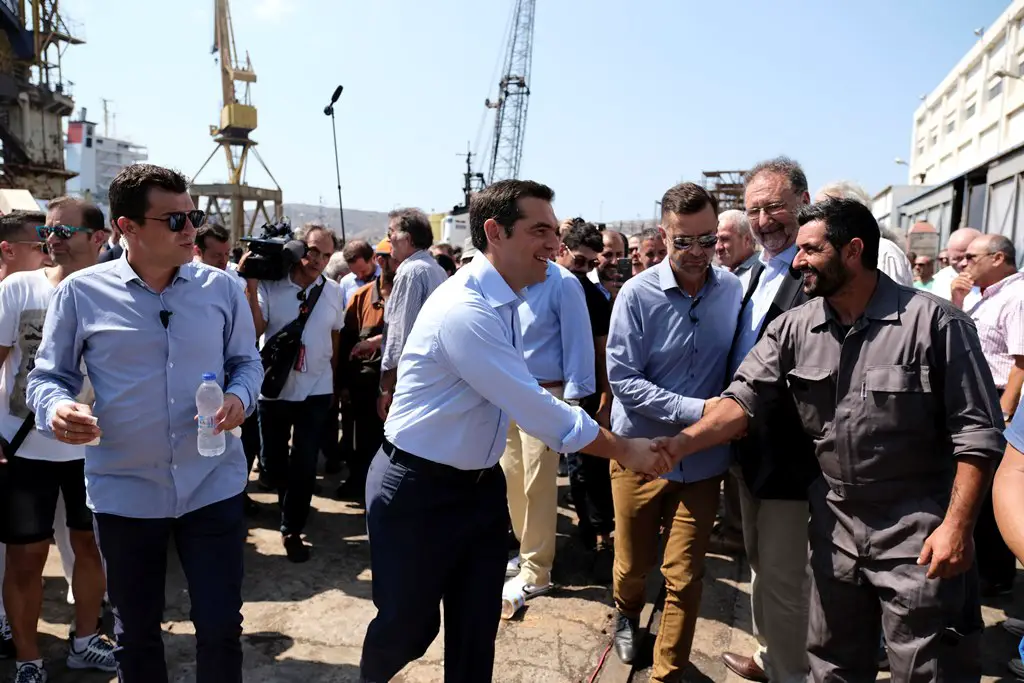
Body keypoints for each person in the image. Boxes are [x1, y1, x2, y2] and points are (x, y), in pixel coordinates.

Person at [656, 196, 1001, 682]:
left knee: (928, 668)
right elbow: (742, 399)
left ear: (853, 250)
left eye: (811, 250)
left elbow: (978, 435)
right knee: (832, 665)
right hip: (835, 530)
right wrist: (677, 446)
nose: (797, 261)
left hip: (919, 535)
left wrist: (957, 528)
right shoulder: (795, 327)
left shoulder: (936, 324)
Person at [359, 179, 671, 683]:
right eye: (539, 230)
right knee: (407, 630)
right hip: (418, 492)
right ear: (495, 232)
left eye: (555, 231)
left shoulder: (505, 301)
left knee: (475, 631)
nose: (554, 243)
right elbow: (534, 407)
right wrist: (625, 450)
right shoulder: (465, 310)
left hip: (479, 491)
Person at [26, 164, 263, 683]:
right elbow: (47, 377)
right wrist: (56, 408)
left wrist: (240, 396)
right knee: (135, 634)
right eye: (175, 220)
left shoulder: (222, 288)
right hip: (126, 491)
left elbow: (247, 362)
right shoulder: (81, 294)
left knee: (221, 627)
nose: (191, 229)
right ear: (127, 226)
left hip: (212, 484)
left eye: (194, 216)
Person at [607, 183, 742, 679]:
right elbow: (623, 380)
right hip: (640, 454)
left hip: (702, 461)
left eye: (708, 240)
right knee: (632, 565)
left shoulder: (733, 291)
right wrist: (697, 409)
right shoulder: (636, 295)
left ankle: (667, 671)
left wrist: (715, 422)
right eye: (684, 241)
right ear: (664, 235)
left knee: (684, 576)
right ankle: (627, 611)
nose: (697, 252)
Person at [0, 199, 115, 682]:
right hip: (24, 446)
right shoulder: (19, 288)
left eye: (65, 231)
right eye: (48, 231)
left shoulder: (118, 292)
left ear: (100, 238)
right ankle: (28, 659)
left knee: (91, 550)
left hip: (94, 450)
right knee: (26, 557)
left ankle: (85, 640)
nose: (53, 239)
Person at [722, 157, 815, 683]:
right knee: (759, 560)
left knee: (784, 574)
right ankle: (770, 655)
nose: (763, 220)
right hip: (747, 448)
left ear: (803, 202)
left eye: (774, 207)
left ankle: (791, 671)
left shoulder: (816, 275)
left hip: (791, 455)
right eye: (754, 210)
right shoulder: (754, 273)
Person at [501, 223, 595, 599]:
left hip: (545, 396)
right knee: (512, 478)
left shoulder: (563, 283)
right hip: (507, 393)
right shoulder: (509, 279)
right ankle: (527, 551)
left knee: (537, 484)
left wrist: (572, 404)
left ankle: (537, 570)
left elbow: (579, 343)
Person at [243, 222, 343, 563]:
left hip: (317, 389)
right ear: (299, 248)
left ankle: (292, 527)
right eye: (313, 251)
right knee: (272, 463)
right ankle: (287, 501)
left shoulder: (333, 291)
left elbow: (335, 335)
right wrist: (251, 284)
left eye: (326, 255)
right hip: (274, 388)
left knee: (305, 461)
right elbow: (255, 329)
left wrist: (333, 379)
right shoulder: (271, 286)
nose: (318, 260)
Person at [952, 233, 1024, 596]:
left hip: (998, 401)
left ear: (998, 258)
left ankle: (996, 575)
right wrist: (958, 301)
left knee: (993, 487)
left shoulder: (1017, 296)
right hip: (978, 397)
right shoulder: (984, 295)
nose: (963, 264)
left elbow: (1021, 363)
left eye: (971, 257)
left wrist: (1005, 411)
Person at [554, 221, 616, 579]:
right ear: (562, 250)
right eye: (579, 261)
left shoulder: (594, 297)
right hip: (546, 393)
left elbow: (602, 352)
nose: (584, 270)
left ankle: (600, 537)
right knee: (573, 473)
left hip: (586, 396)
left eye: (591, 264)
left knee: (589, 468)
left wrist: (606, 397)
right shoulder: (537, 287)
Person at [335, 238, 395, 503]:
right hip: (363, 391)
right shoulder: (360, 298)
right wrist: (343, 386)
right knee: (361, 441)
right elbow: (345, 344)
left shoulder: (412, 298)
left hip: (400, 392)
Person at [377, 208, 447, 420]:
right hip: (433, 377)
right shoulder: (435, 269)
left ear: (406, 239)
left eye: (390, 233)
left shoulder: (411, 272)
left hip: (413, 380)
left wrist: (386, 387)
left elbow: (400, 336)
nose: (388, 240)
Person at [815, 181, 914, 287]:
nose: (814, 218)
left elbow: (891, 296)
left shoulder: (884, 252)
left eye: (825, 211)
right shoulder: (831, 252)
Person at [931, 227, 981, 306]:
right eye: (956, 259)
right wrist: (956, 301)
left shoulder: (996, 279)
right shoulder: (942, 278)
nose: (963, 263)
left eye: (969, 257)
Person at [716, 210, 759, 288]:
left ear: (747, 240)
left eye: (725, 239)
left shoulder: (763, 273)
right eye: (714, 240)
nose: (718, 247)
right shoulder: (716, 275)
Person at [338, 239, 379, 308]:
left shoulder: (387, 278)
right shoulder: (346, 283)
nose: (359, 276)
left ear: (373, 258)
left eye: (363, 271)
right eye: (355, 273)